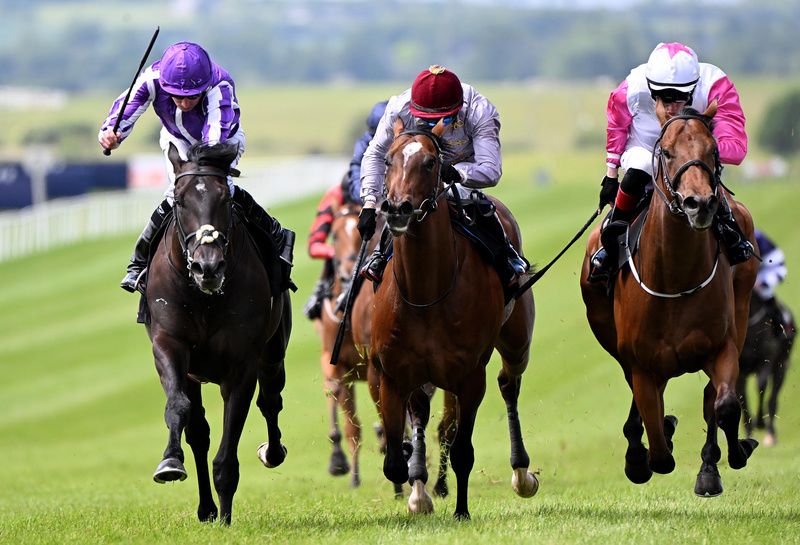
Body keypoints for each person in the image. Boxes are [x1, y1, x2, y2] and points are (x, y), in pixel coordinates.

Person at [99, 41, 294, 293]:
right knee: (176, 195)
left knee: (219, 190)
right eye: (176, 95)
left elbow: (214, 139)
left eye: (191, 96)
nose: (183, 102)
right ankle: (139, 261)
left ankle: (275, 233)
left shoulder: (220, 85)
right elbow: (125, 108)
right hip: (177, 141)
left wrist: (201, 173)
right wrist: (111, 134)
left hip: (221, 142)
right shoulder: (152, 78)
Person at [591, 42, 754, 280]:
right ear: (650, 88)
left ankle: (730, 230)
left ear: (694, 88)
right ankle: (612, 238)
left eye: (680, 98)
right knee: (643, 165)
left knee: (702, 175)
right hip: (645, 147)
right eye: (663, 98)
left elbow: (737, 150)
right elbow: (617, 125)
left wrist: (696, 149)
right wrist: (611, 175)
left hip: (693, 153)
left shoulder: (716, 85)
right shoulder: (632, 87)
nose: (671, 107)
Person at [355, 65, 528, 286]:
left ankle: (506, 255)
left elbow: (491, 169)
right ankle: (380, 255)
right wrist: (369, 202)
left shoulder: (479, 110)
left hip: (461, 171)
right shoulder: (398, 107)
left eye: (439, 119)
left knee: (475, 201)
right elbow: (376, 153)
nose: (431, 124)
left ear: (458, 107)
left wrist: (457, 173)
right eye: (424, 118)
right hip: (416, 169)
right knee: (399, 200)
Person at [302, 100, 388, 320]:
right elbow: (314, 246)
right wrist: (340, 254)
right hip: (350, 256)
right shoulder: (336, 195)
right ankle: (321, 293)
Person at [753, 228, 788, 331]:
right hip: (759, 268)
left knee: (762, 289)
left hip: (774, 267)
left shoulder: (753, 234)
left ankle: (781, 321)